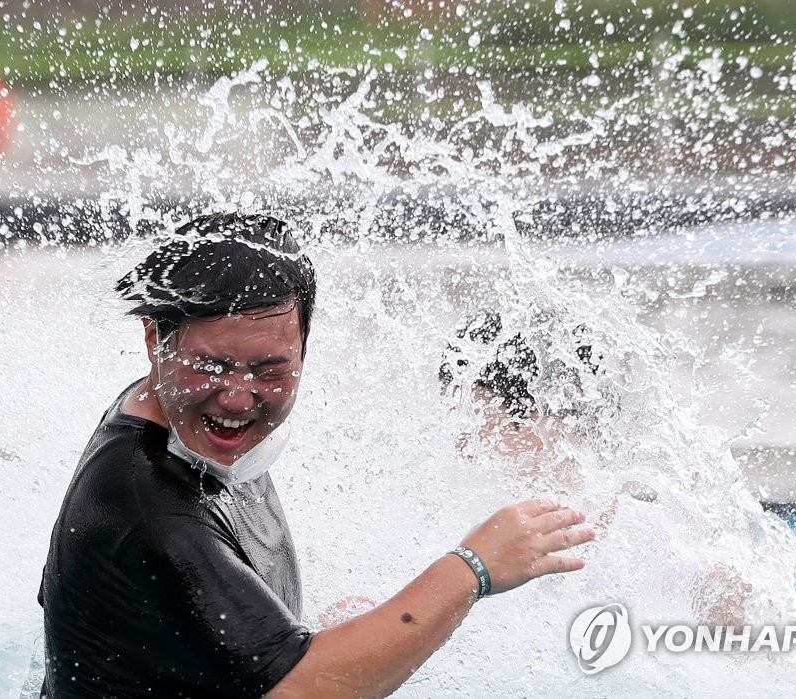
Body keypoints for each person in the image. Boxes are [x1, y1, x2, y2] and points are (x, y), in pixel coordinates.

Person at [37, 212, 595, 698]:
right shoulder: (148, 508)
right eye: (211, 365)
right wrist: (471, 569)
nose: (236, 397)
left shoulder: (174, 415)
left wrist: (309, 636)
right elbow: (305, 691)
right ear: (156, 339)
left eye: (269, 368)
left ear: (302, 346)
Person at [439, 309, 752, 627]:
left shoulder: (664, 551)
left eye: (471, 420)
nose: (460, 445)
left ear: (547, 419)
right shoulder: (456, 527)